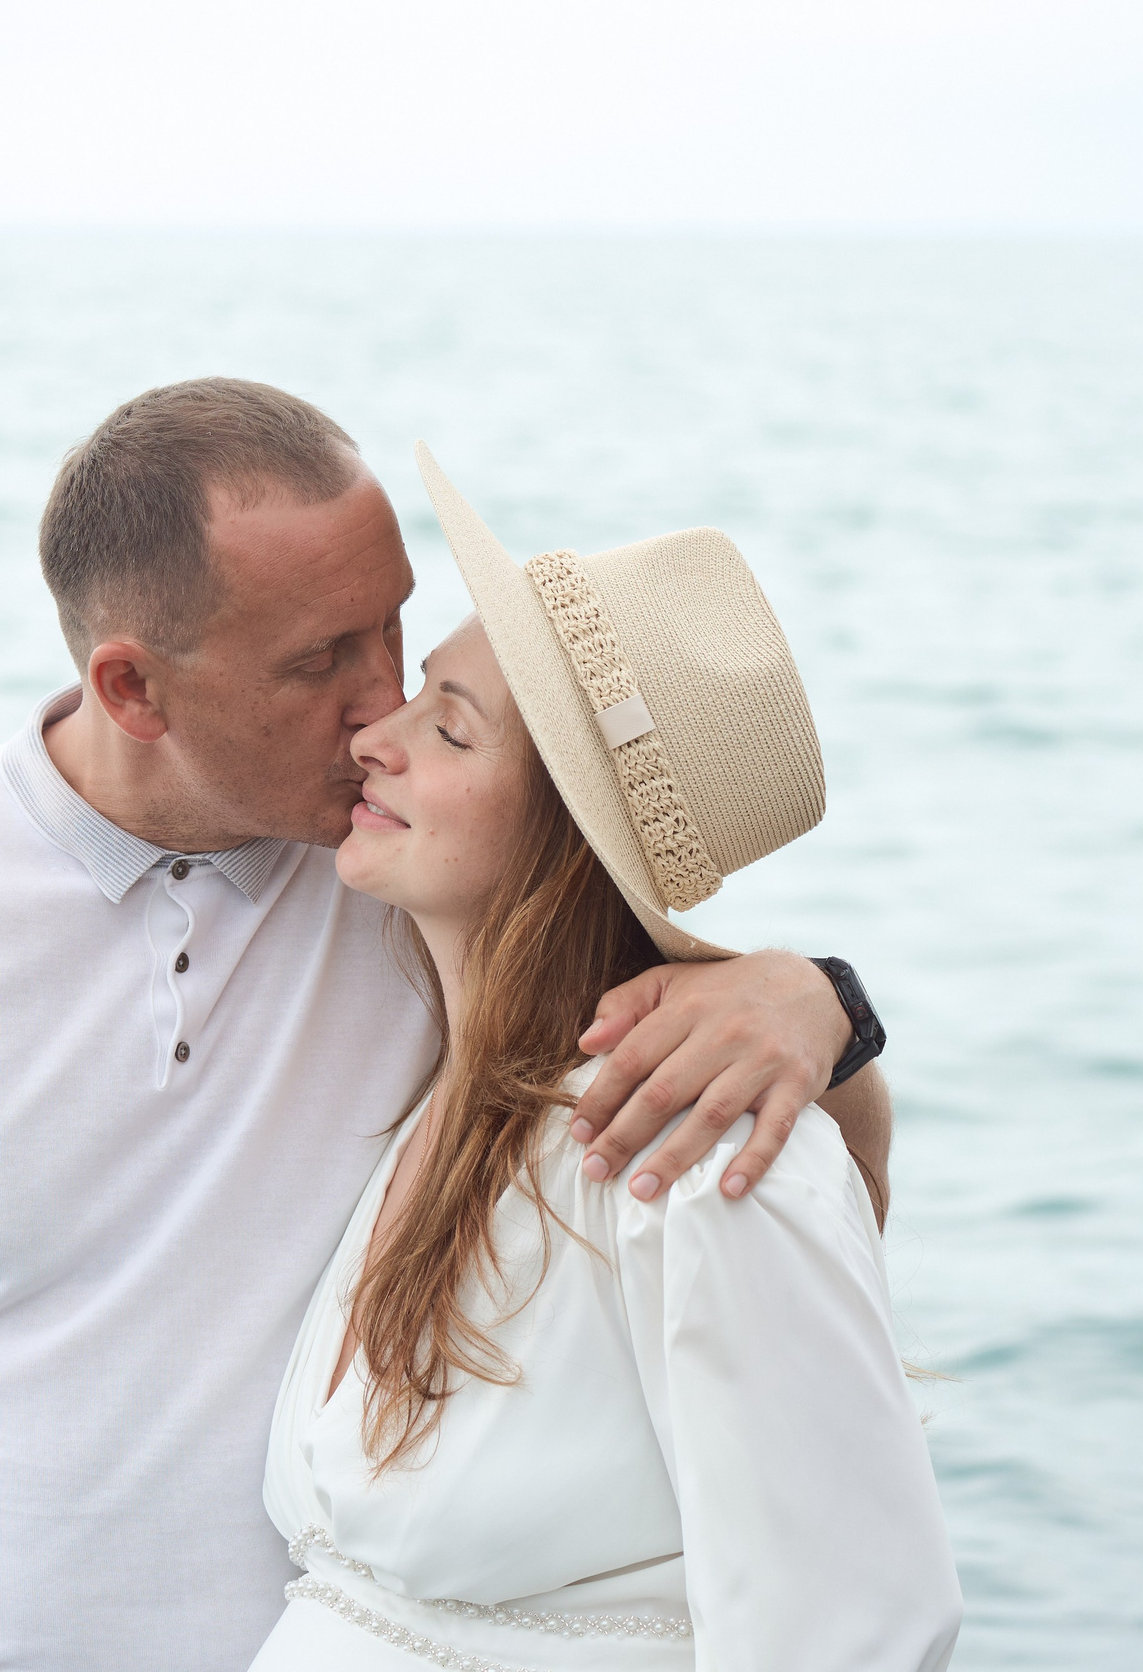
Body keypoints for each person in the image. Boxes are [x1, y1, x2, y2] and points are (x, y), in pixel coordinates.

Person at [0, 381, 899, 1672]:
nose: (380, 705)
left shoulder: (407, 883)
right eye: (318, 660)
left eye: (392, 630)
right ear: (132, 687)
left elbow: (748, 1117)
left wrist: (816, 997)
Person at [249, 448, 958, 1671]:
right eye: (418, 694)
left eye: (450, 730)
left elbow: (851, 1634)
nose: (377, 736)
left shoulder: (689, 1152)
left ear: (565, 841)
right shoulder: (447, 1097)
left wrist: (821, 1003)